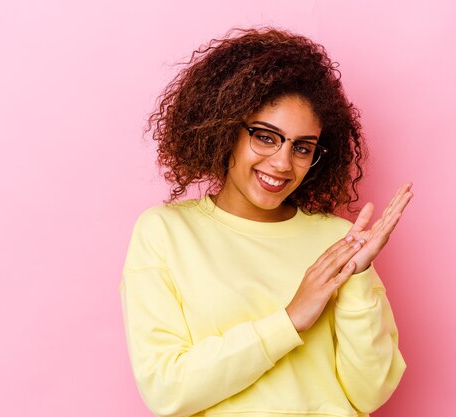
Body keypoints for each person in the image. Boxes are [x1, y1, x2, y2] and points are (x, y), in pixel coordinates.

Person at [119, 26, 413, 417]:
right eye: (265, 137)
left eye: (302, 147)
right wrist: (290, 320)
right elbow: (167, 388)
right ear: (225, 130)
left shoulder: (340, 240)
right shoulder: (165, 233)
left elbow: (368, 393)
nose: (282, 163)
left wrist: (356, 280)